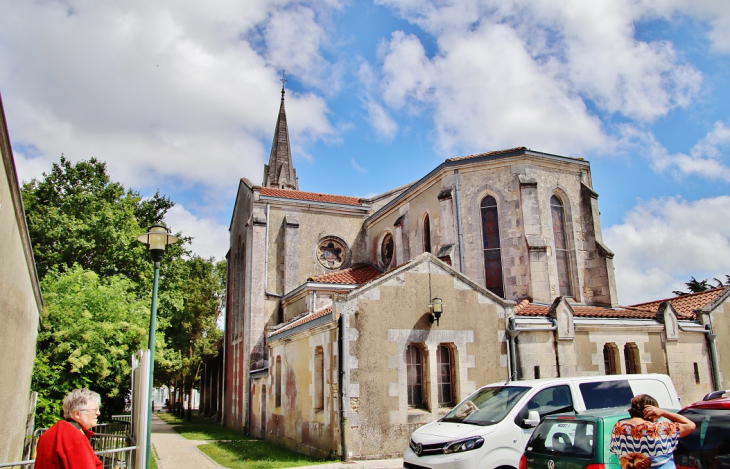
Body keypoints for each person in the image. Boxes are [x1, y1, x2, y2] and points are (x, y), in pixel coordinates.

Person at [610, 394, 696, 469]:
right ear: (653, 412)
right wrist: (664, 412)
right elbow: (690, 425)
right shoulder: (660, 429)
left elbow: (614, 451)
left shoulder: (618, 428)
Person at [34, 388, 103, 469]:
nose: (98, 413)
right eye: (94, 410)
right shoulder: (76, 438)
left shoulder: (50, 432)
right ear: (77, 414)